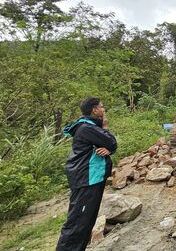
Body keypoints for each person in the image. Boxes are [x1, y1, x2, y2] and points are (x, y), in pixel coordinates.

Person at [56, 97, 117, 251]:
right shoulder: (87, 128)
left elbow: (108, 145)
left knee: (86, 221)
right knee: (78, 222)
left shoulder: (89, 127)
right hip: (86, 178)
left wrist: (108, 148)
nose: (104, 110)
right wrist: (106, 127)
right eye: (102, 107)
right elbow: (111, 142)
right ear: (94, 110)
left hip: (90, 178)